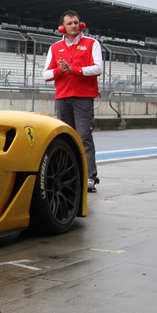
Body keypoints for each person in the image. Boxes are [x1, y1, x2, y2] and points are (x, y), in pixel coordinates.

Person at [43, 10, 102, 192]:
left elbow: (97, 68)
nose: (74, 26)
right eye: (70, 23)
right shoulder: (55, 47)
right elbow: (46, 74)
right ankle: (68, 174)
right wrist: (61, 70)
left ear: (81, 24)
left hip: (83, 97)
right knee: (65, 138)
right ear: (63, 27)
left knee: (84, 136)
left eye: (76, 22)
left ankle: (90, 177)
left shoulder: (92, 44)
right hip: (63, 98)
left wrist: (73, 69)